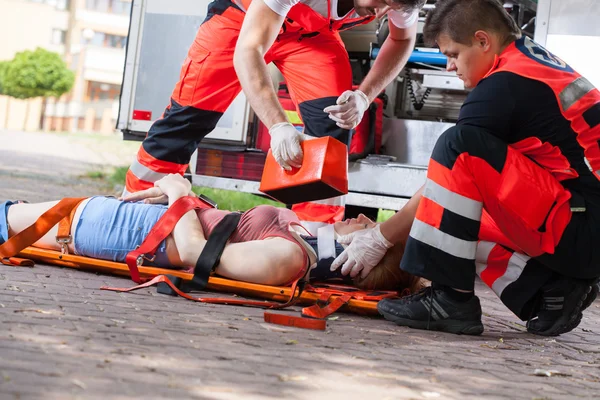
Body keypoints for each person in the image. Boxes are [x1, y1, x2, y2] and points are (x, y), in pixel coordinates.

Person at [331, 0, 600, 336]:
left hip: (581, 228)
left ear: (482, 41)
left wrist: (381, 238)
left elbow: (445, 181)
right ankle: (549, 292)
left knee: (456, 146)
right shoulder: (528, 60)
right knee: (457, 217)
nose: (448, 67)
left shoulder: (502, 87)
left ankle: (449, 298)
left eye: (453, 54)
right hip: (582, 223)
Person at [124, 0, 426, 195]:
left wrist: (363, 96)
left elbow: (402, 39)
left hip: (309, 36)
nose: (383, 13)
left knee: (332, 130)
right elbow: (249, 49)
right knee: (188, 118)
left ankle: (313, 239)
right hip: (241, 20)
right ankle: (137, 207)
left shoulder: (403, 0)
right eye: (383, 2)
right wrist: (279, 126)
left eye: (393, 7)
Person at [0, 174, 421, 292]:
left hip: (130, 233)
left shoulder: (288, 259)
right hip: (143, 224)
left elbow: (195, 255)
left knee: (9, 216)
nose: (367, 222)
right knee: (9, 215)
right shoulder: (303, 241)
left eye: (374, 229)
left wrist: (178, 193)